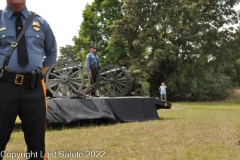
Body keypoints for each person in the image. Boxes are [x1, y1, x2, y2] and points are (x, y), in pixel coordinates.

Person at [0, 0, 57, 159]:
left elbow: (52, 52)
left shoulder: (41, 22)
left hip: (33, 89)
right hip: (3, 88)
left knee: (37, 144)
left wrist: (40, 73)